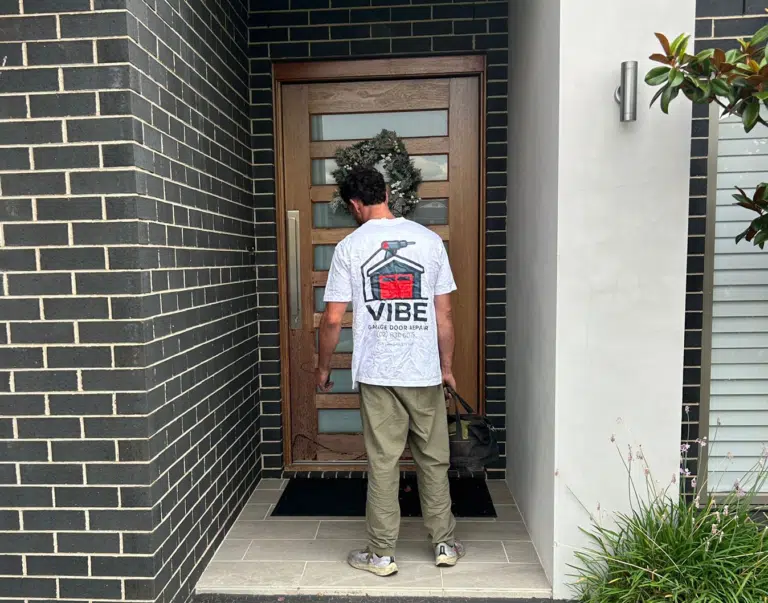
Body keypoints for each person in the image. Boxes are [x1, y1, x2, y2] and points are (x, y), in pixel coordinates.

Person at [315, 166, 465, 577]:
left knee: (384, 462)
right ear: (387, 192)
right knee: (433, 459)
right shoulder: (430, 242)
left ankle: (381, 555)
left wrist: (322, 368)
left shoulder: (350, 247)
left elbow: (332, 319)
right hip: (423, 371)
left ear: (354, 204)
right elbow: (445, 313)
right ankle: (445, 544)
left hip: (378, 373)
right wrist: (446, 367)